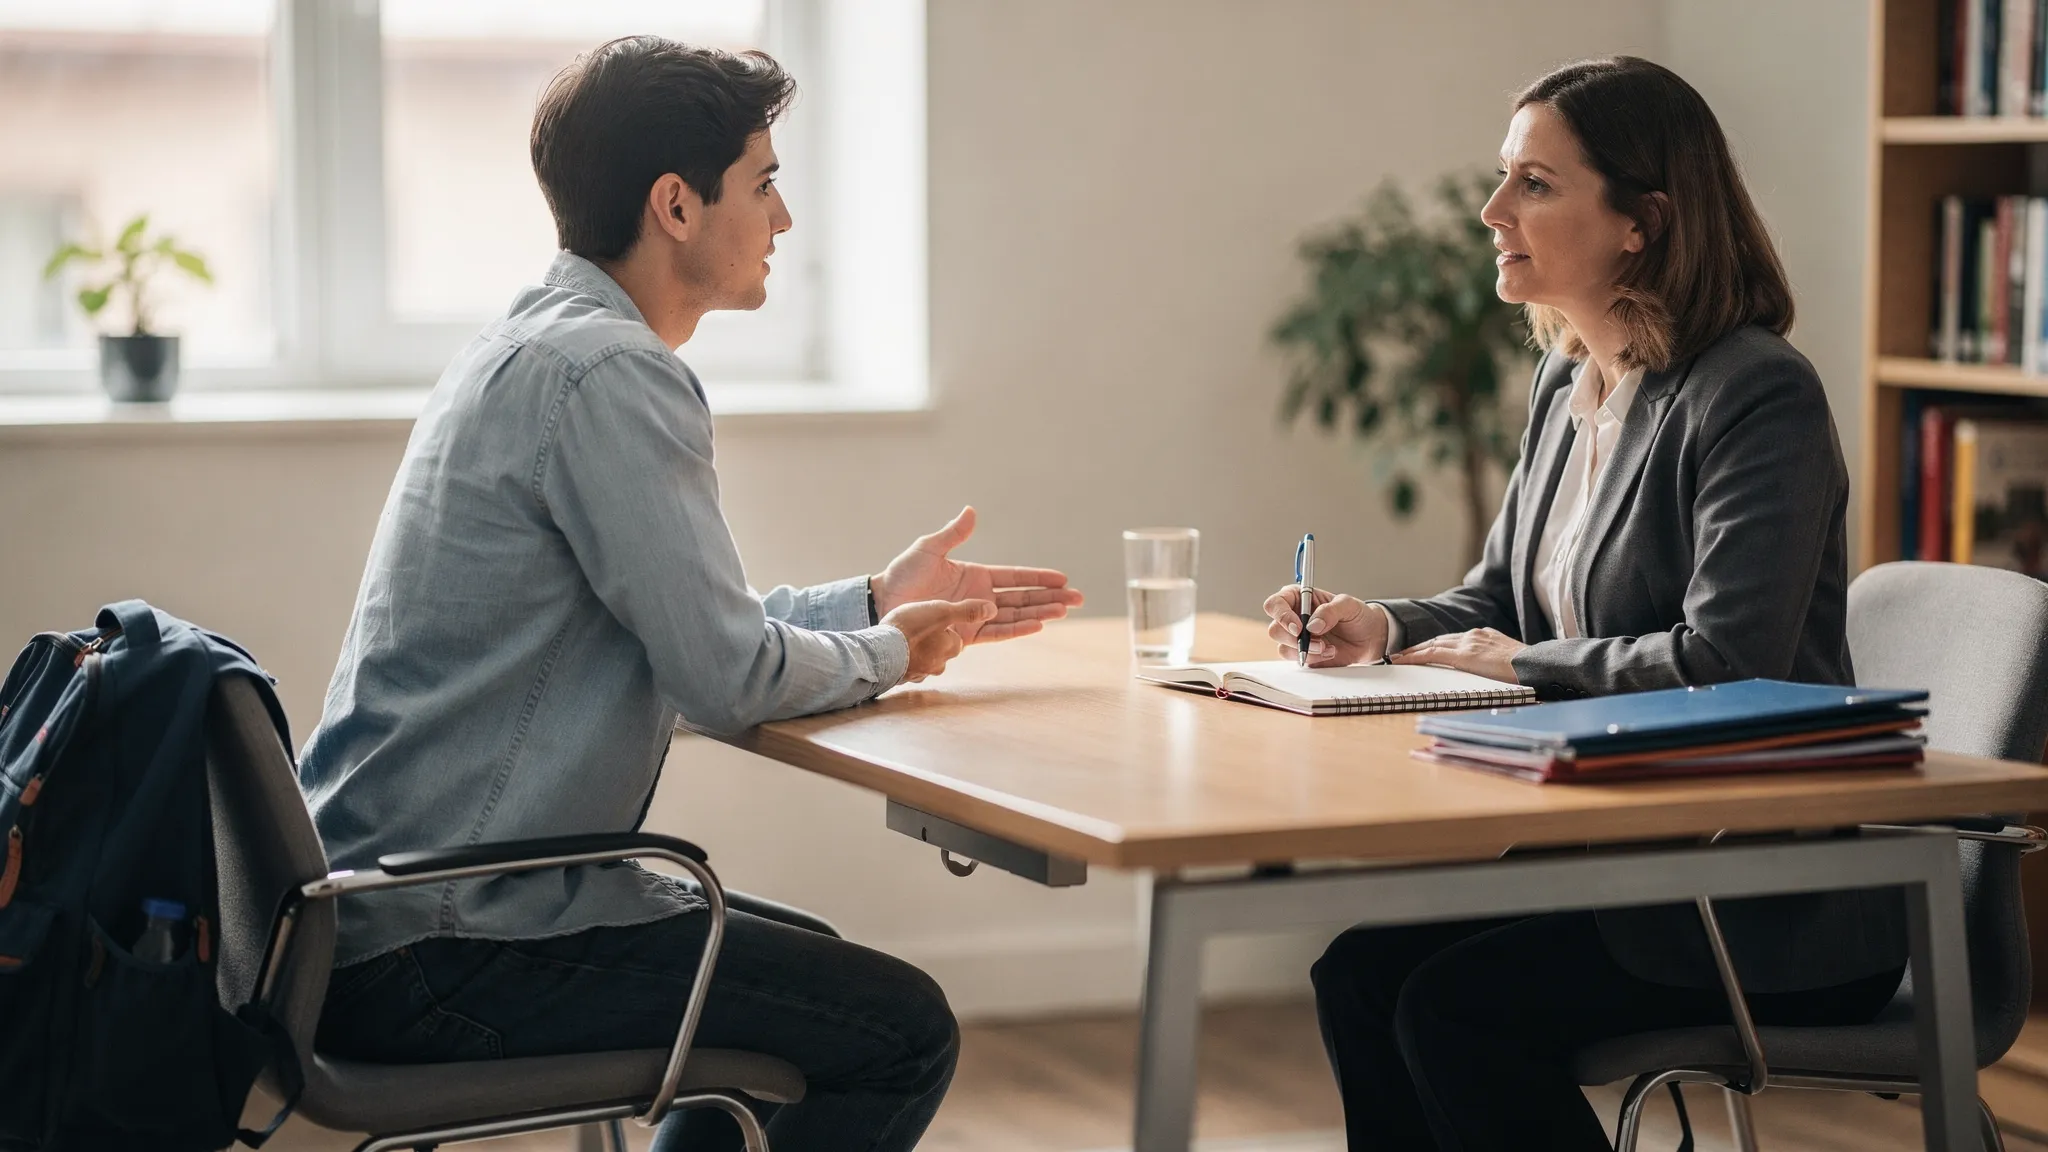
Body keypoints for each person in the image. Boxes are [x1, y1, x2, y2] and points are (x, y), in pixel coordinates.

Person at [298, 36, 1082, 1152]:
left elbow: (686, 627)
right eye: (762, 182)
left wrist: (872, 602)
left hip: (372, 919)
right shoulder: (613, 374)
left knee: (812, 988)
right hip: (449, 942)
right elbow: (725, 677)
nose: (783, 219)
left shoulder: (525, 347)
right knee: (897, 1029)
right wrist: (896, 652)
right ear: (675, 204)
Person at [1262, 58, 1902, 1150]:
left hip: (1760, 895)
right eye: (1502, 178)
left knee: (1450, 1011)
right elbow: (1503, 595)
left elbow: (1726, 659)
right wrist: (1385, 625)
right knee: (1358, 976)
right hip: (1619, 860)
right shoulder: (1567, 383)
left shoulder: (1754, 392)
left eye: (1534, 184)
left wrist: (1516, 665)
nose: (1491, 210)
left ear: (1638, 222)